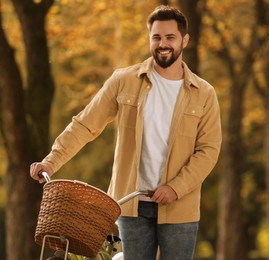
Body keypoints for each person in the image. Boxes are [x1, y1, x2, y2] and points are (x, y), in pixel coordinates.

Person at [30, 5, 222, 260]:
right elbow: (85, 124)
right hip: (130, 206)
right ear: (149, 39)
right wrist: (51, 161)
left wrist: (175, 188)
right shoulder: (124, 81)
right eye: (156, 37)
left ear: (184, 40)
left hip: (180, 208)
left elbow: (208, 151)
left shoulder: (204, 93)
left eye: (170, 37)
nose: (162, 44)